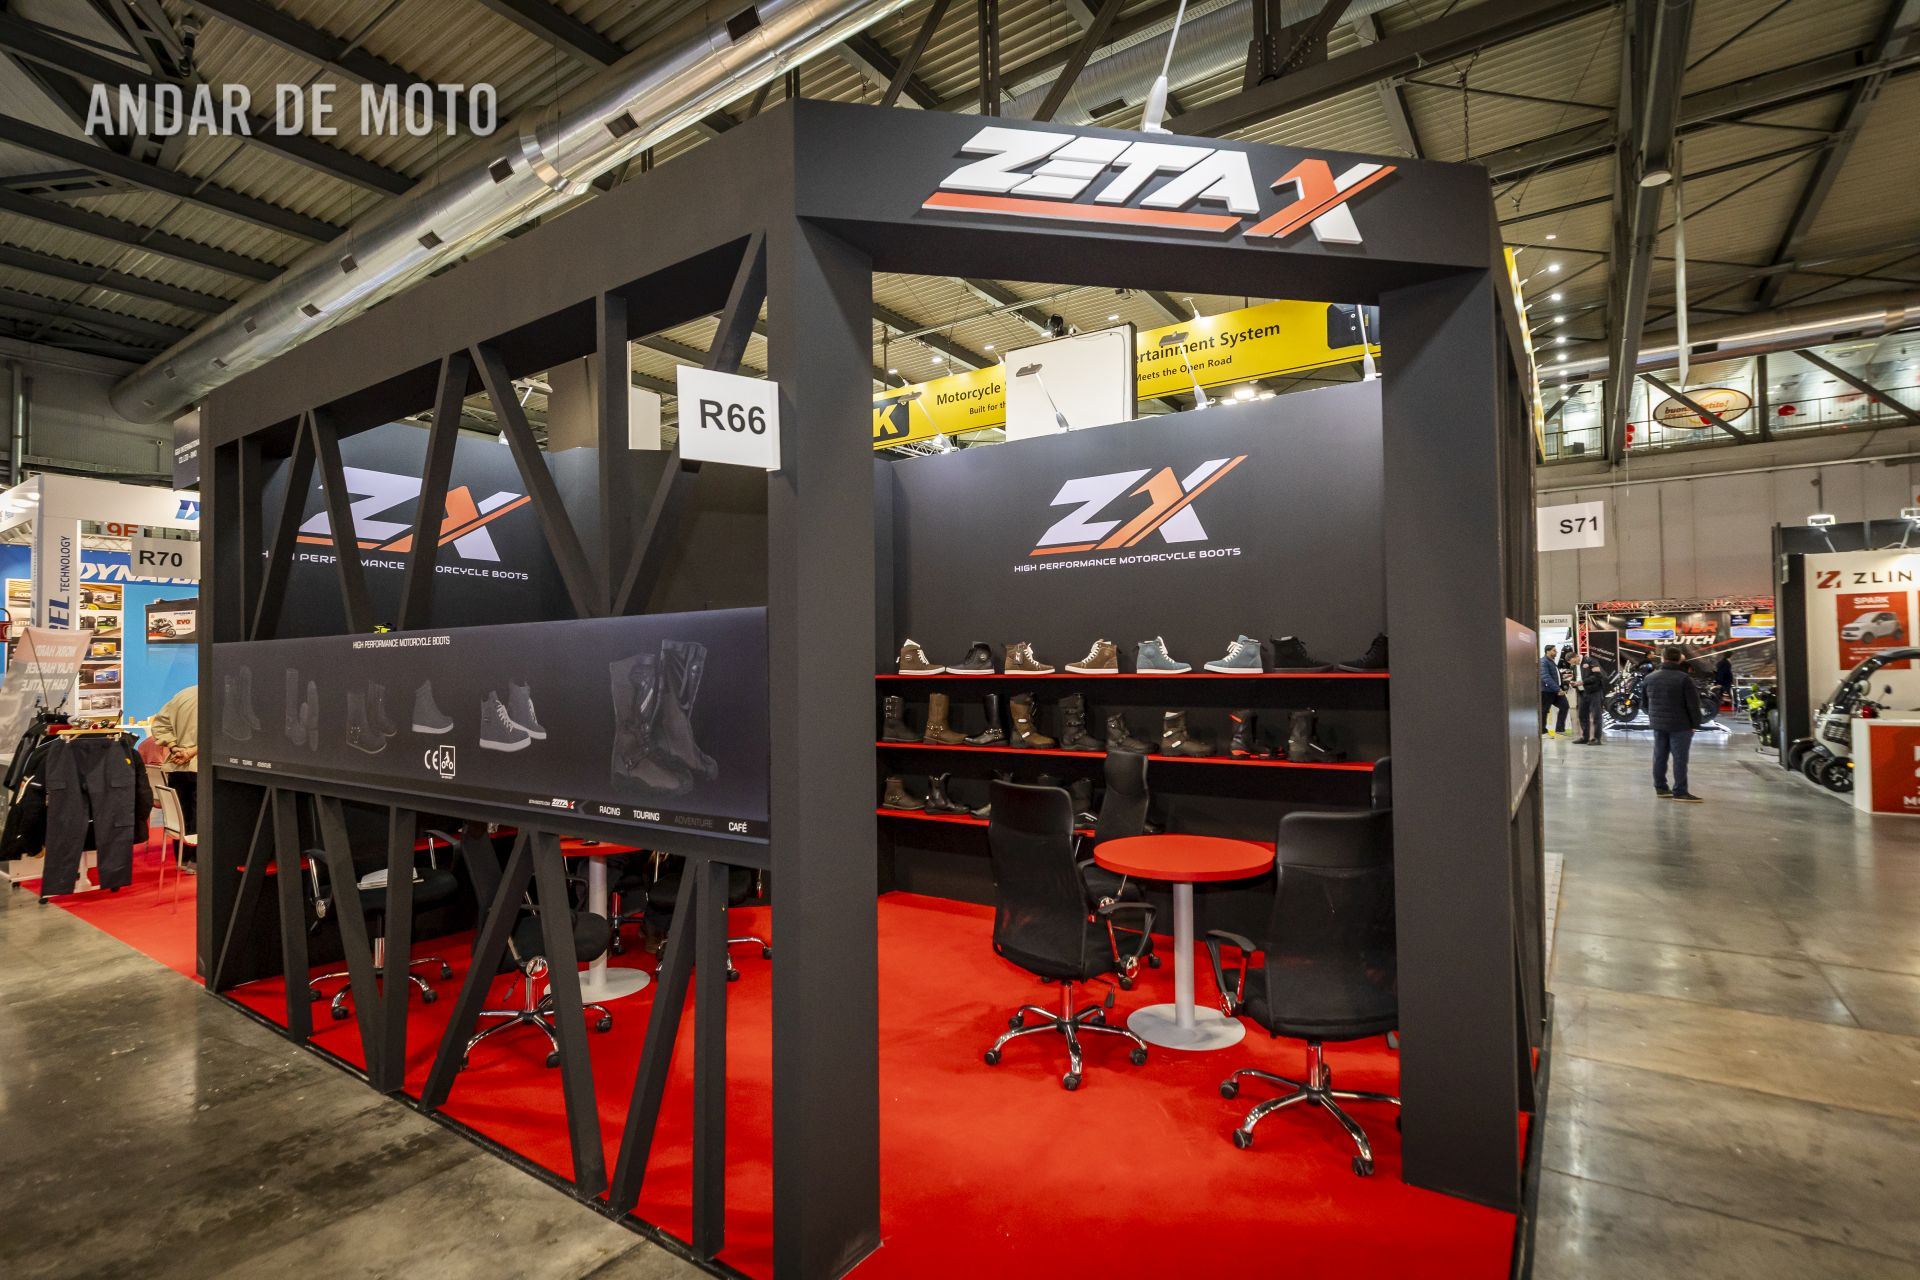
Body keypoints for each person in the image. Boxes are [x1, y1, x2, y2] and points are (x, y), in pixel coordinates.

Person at [1645, 646, 1705, 802]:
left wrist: (1654, 717)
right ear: (1679, 659)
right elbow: (1693, 705)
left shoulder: (1650, 678)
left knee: (1659, 756)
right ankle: (1680, 791)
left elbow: (1644, 704)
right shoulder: (1684, 679)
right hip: (1681, 725)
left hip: (1658, 725)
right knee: (1680, 759)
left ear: (1662, 658)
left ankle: (1661, 788)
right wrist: (1695, 724)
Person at [149, 684, 199, 858]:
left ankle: (182, 858)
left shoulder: (183, 694)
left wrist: (174, 747)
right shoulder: (216, 697)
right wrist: (191, 752)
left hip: (177, 765)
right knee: (200, 815)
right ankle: (197, 860)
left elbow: (159, 725)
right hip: (200, 767)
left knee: (180, 815)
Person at [1574, 647, 1611, 745]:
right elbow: (1577, 677)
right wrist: (1573, 682)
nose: (1573, 664)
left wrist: (1583, 682)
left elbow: (1597, 676)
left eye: (1573, 662)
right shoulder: (1575, 666)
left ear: (1576, 657)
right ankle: (1585, 737)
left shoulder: (1591, 661)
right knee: (1582, 715)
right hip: (1582, 693)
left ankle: (1596, 738)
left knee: (1596, 715)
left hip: (1594, 692)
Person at [1539, 645, 1568, 738]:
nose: (1556, 652)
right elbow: (1546, 677)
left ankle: (1559, 730)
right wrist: (1558, 689)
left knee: (1565, 706)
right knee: (1544, 711)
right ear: (1547, 651)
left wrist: (1562, 686)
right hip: (1546, 691)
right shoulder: (1543, 662)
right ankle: (1543, 732)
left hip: (1556, 690)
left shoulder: (1551, 661)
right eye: (1554, 650)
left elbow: (1555, 676)